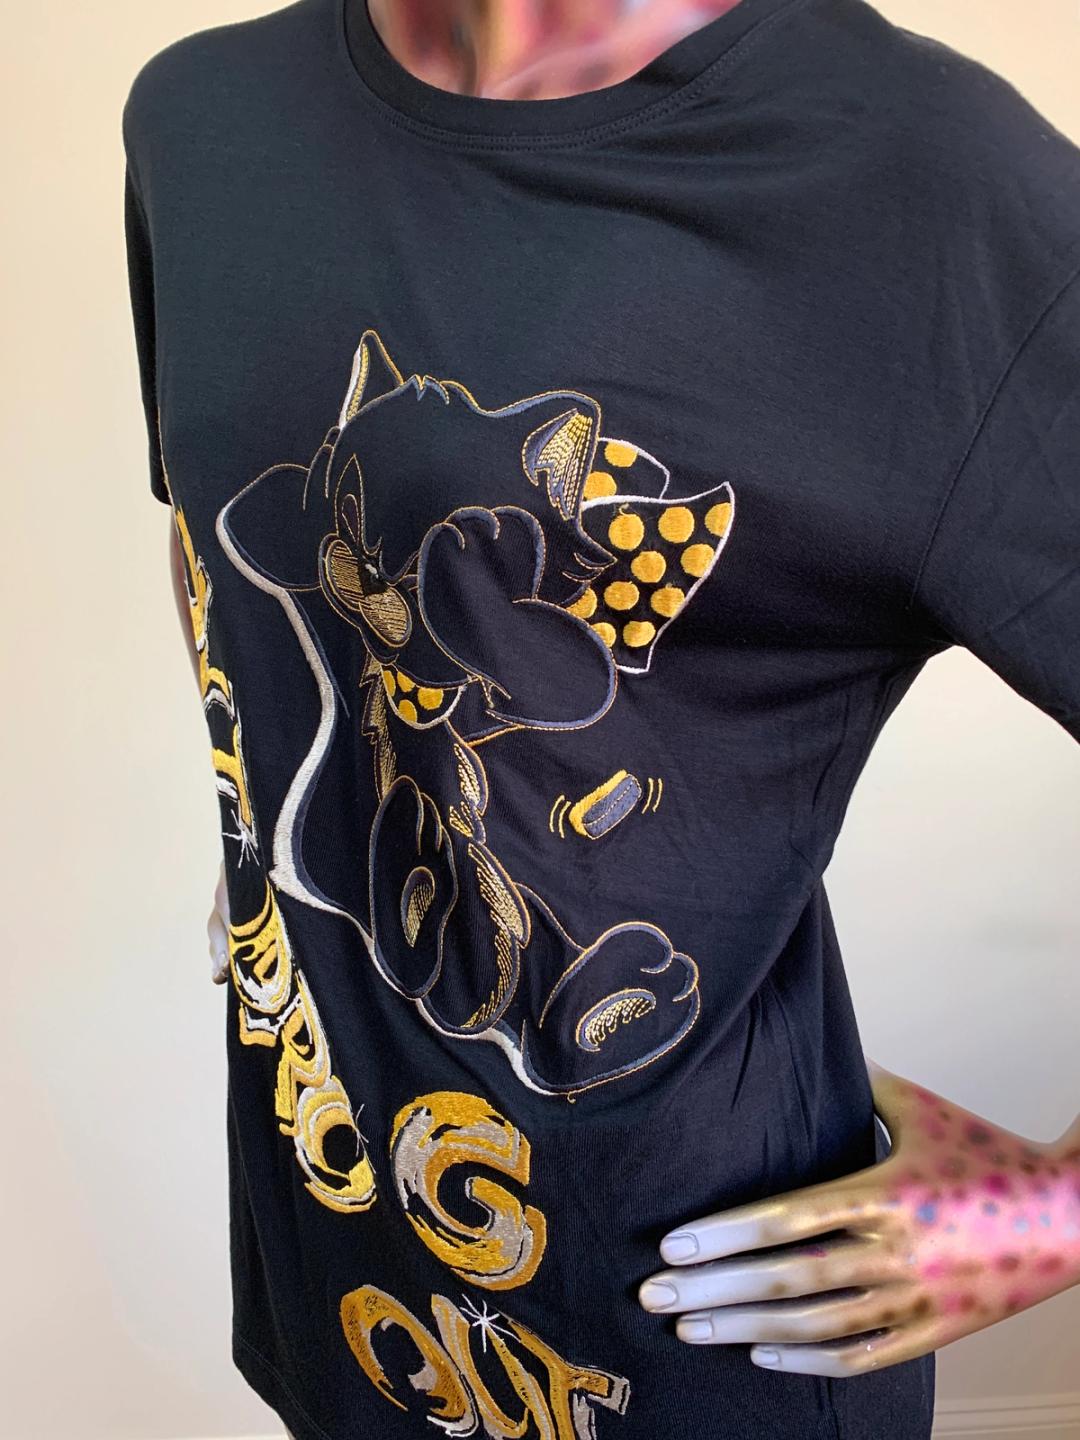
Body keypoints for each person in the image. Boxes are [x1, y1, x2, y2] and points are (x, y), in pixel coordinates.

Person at [122, 0, 1080, 1436]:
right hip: (339, 1273)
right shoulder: (204, 117)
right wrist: (275, 815)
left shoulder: (925, 187)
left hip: (702, 1330)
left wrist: (1058, 1209)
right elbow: (220, 537)